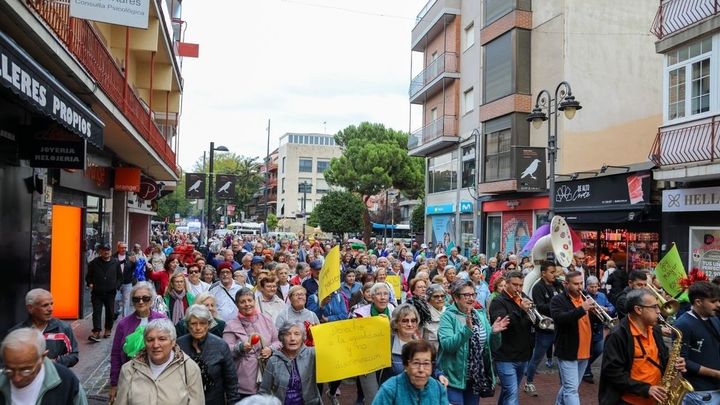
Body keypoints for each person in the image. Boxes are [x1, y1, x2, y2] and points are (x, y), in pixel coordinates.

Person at [599, 289, 686, 404]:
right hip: (629, 401)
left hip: (655, 399)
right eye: (654, 307)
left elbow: (662, 356)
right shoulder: (617, 335)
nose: (659, 311)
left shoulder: (654, 329)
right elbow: (612, 372)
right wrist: (646, 389)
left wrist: (674, 361)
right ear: (638, 309)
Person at [439, 280, 508, 404]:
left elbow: (492, 347)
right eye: (466, 295)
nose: (471, 298)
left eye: (473, 294)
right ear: (455, 297)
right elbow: (447, 346)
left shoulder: (479, 315)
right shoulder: (448, 316)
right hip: (453, 379)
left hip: (475, 378)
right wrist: (467, 330)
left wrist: (495, 333)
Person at [115, 319, 204, 404]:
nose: (155, 345)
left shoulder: (189, 368)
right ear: (145, 343)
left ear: (173, 342)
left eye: (162, 339)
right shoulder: (129, 369)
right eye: (150, 340)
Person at [108, 282, 167, 403]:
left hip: (157, 377)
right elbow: (115, 355)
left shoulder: (162, 320)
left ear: (151, 300)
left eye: (145, 298)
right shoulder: (123, 324)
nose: (141, 302)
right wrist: (114, 383)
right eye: (136, 299)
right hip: (132, 378)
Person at [0, 328, 87, 404]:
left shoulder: (67, 383)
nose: (17, 378)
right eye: (9, 370)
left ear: (42, 357)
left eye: (26, 371)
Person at [550, 271, 598, 405]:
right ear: (566, 284)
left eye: (581, 283)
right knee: (571, 390)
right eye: (576, 284)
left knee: (571, 386)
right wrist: (582, 309)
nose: (580, 287)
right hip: (568, 351)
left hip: (585, 350)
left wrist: (596, 314)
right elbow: (560, 319)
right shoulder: (558, 300)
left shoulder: (585, 298)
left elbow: (589, 322)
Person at [177, 305, 241, 405]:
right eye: (193, 323)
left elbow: (231, 380)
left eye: (202, 323)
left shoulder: (220, 345)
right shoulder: (179, 345)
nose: (198, 328)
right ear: (187, 325)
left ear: (209, 324)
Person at [223, 287, 282, 397]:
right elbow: (226, 351)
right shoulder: (231, 325)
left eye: (249, 300)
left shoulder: (266, 319)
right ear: (237, 305)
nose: (247, 304)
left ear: (254, 301)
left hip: (267, 375)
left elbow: (278, 341)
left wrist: (270, 349)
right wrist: (240, 348)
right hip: (245, 381)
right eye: (242, 301)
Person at [489, 271, 535, 404]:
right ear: (506, 284)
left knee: (508, 392)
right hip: (505, 356)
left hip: (523, 355)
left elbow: (529, 322)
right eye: (515, 285)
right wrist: (521, 310)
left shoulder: (524, 297)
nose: (519, 289)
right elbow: (504, 323)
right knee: (512, 393)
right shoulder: (498, 301)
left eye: (521, 285)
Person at [673, 281, 720, 404]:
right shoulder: (683, 324)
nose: (718, 304)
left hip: (714, 389)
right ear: (698, 302)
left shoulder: (714, 318)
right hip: (700, 392)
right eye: (713, 301)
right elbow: (683, 361)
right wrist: (716, 374)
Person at [9, 289, 78, 368]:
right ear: (30, 308)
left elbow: (74, 355)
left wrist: (53, 362)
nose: (50, 309)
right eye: (45, 305)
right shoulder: (17, 333)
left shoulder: (63, 328)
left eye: (51, 304)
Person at [524, 261, 564, 396]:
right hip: (546, 328)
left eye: (555, 272)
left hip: (559, 326)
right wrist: (557, 304)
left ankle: (564, 384)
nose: (555, 275)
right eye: (552, 272)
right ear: (543, 273)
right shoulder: (538, 287)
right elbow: (540, 306)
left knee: (562, 357)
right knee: (537, 357)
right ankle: (529, 382)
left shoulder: (558, 284)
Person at [259, 322, 322, 404]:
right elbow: (264, 390)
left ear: (303, 337)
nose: (292, 338)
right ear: (281, 338)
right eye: (287, 334)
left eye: (297, 334)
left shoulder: (312, 354)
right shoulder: (274, 361)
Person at [372, 340, 450, 405]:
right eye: (416, 363)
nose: (421, 369)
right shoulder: (390, 389)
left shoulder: (438, 389)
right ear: (406, 365)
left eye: (426, 363)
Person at [85, 242, 122, 342]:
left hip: (110, 292)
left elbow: (119, 277)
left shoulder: (115, 262)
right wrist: (90, 283)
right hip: (97, 292)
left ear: (110, 251)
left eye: (108, 250)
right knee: (97, 312)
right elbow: (88, 276)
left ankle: (108, 329)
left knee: (110, 311)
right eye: (104, 250)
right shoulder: (94, 263)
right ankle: (96, 331)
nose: (106, 252)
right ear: (100, 251)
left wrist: (116, 286)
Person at [583, 276, 615, 383]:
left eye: (596, 286)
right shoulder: (583, 296)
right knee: (588, 350)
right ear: (587, 286)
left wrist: (606, 309)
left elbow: (611, 307)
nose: (593, 289)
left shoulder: (601, 295)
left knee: (599, 349)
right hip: (588, 326)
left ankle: (584, 367)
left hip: (599, 327)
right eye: (591, 287)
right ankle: (587, 372)